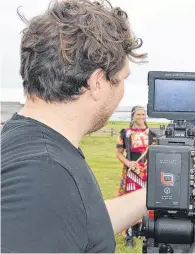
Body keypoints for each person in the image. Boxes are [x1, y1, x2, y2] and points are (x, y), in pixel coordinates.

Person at [1, 0, 148, 252]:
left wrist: (156, 193)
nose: (122, 90)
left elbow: (80, 222)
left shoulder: (28, 142)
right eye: (122, 79)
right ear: (98, 82)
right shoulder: (43, 174)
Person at [116, 105, 149, 247]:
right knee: (130, 201)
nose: (141, 117)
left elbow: (155, 151)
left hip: (147, 172)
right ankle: (129, 234)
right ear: (133, 116)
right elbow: (118, 153)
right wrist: (128, 163)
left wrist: (150, 163)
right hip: (132, 172)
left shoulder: (151, 133)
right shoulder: (125, 133)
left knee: (146, 200)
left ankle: (142, 230)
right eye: (138, 115)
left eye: (143, 114)